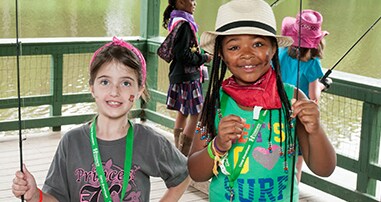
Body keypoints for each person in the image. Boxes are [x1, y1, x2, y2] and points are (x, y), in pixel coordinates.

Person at [187, 0, 336, 201]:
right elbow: (195, 172)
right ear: (221, 54)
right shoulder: (216, 103)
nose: (247, 54)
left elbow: (324, 169)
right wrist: (217, 146)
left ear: (274, 49)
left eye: (258, 44)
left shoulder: (292, 99)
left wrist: (316, 129)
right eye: (234, 47)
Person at [12, 37, 190, 202]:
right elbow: (56, 198)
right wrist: (35, 195)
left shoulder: (149, 141)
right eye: (105, 82)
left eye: (126, 83)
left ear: (139, 91)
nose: (115, 91)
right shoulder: (71, 142)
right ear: (92, 88)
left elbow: (183, 174)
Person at [279, 9, 330, 183]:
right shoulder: (313, 63)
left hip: (276, 114)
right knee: (296, 165)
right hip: (298, 119)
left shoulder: (280, 53)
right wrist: (322, 85)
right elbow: (313, 98)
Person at [160, 0, 212, 156]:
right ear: (181, 2)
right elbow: (183, 54)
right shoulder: (184, 25)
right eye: (192, 0)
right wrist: (203, 58)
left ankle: (178, 152)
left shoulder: (176, 20)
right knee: (196, 113)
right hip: (187, 77)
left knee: (183, 113)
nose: (195, 3)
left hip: (179, 74)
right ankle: (184, 154)